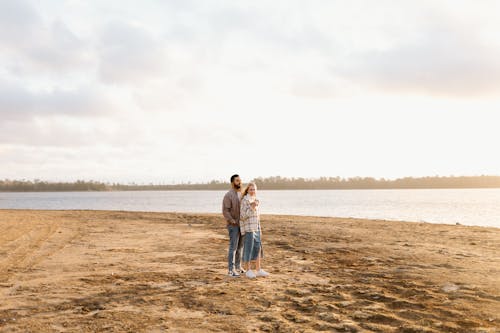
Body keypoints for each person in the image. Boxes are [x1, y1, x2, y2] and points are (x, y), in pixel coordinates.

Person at [240, 182, 269, 278]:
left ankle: (259, 269)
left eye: (254, 189)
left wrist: (260, 229)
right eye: (251, 189)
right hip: (249, 229)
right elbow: (242, 216)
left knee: (258, 248)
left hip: (256, 228)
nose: (252, 191)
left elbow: (257, 216)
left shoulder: (255, 200)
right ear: (247, 190)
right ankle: (248, 270)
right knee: (248, 249)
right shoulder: (245, 200)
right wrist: (252, 207)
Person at [222, 174, 245, 277]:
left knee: (240, 247)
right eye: (237, 181)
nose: (239, 182)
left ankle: (238, 267)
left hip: (243, 225)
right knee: (233, 247)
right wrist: (232, 221)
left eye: (240, 180)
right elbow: (225, 211)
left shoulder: (243, 194)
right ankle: (231, 270)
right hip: (233, 225)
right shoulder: (228, 195)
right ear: (232, 183)